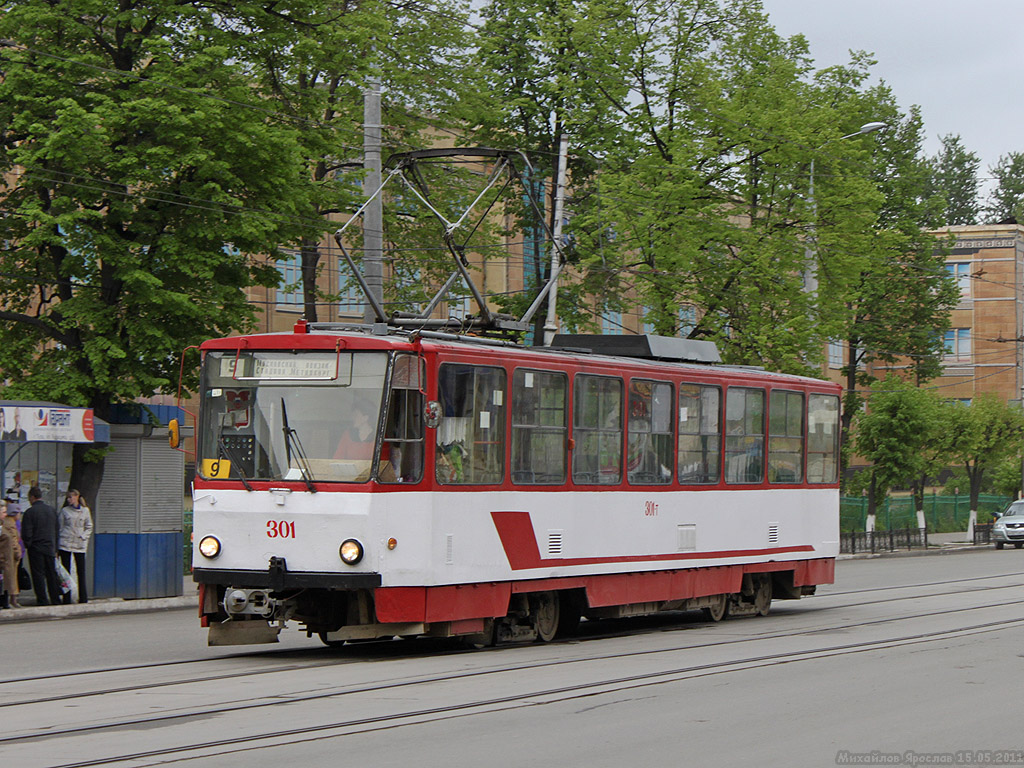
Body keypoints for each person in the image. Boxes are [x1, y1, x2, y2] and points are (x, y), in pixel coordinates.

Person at [21, 486, 61, 606]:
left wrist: (28, 544)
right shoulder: (51, 510)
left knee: (38, 575)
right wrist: (55, 548)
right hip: (49, 547)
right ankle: (55, 599)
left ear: (32, 497)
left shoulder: (30, 512)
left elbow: (26, 532)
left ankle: (42, 600)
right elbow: (56, 530)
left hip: (36, 548)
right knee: (51, 574)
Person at [58, 489, 92, 604]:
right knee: (66, 572)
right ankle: (66, 598)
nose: (69, 500)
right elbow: (60, 527)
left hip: (79, 544)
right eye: (67, 498)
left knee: (81, 571)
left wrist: (83, 537)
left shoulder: (85, 511)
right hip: (66, 543)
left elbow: (89, 526)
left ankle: (83, 598)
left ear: (77, 497)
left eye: (71, 497)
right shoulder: (65, 511)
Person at [0, 499, 23, 608]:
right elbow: (13, 540)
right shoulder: (9, 524)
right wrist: (17, 551)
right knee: (9, 580)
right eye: (3, 512)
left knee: (8, 580)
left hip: (7, 556)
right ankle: (9, 601)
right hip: (6, 557)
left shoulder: (7, 523)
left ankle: (7, 601)